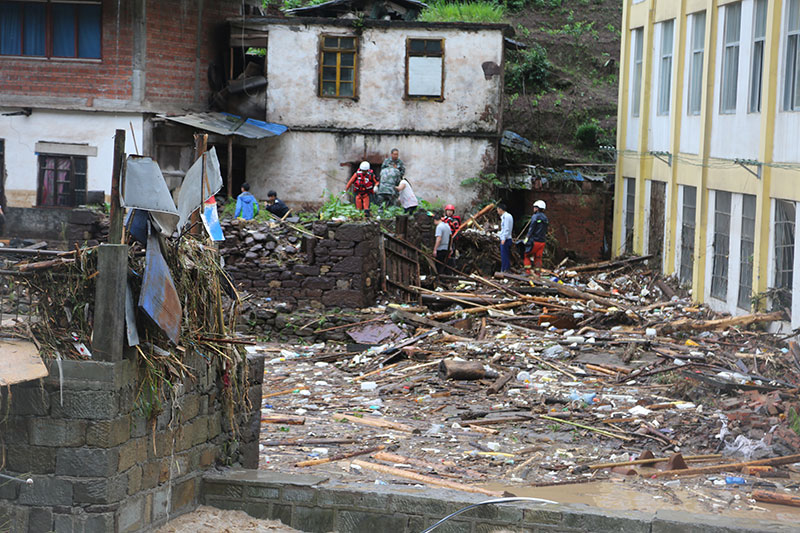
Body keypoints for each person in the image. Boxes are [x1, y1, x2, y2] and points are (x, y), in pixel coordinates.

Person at [524, 199, 549, 274]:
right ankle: (537, 273)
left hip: (534, 241)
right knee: (538, 258)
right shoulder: (545, 218)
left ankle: (528, 272)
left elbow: (532, 228)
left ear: (537, 208)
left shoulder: (535, 217)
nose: (533, 209)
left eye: (534, 207)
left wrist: (527, 238)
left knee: (526, 255)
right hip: (542, 242)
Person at [497, 203, 514, 273]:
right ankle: (504, 269)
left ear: (501, 210)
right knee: (505, 255)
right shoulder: (507, 216)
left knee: (504, 256)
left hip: (506, 239)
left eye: (498, 210)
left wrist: (503, 238)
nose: (497, 211)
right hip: (507, 238)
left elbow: (506, 229)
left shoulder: (506, 217)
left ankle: (505, 270)